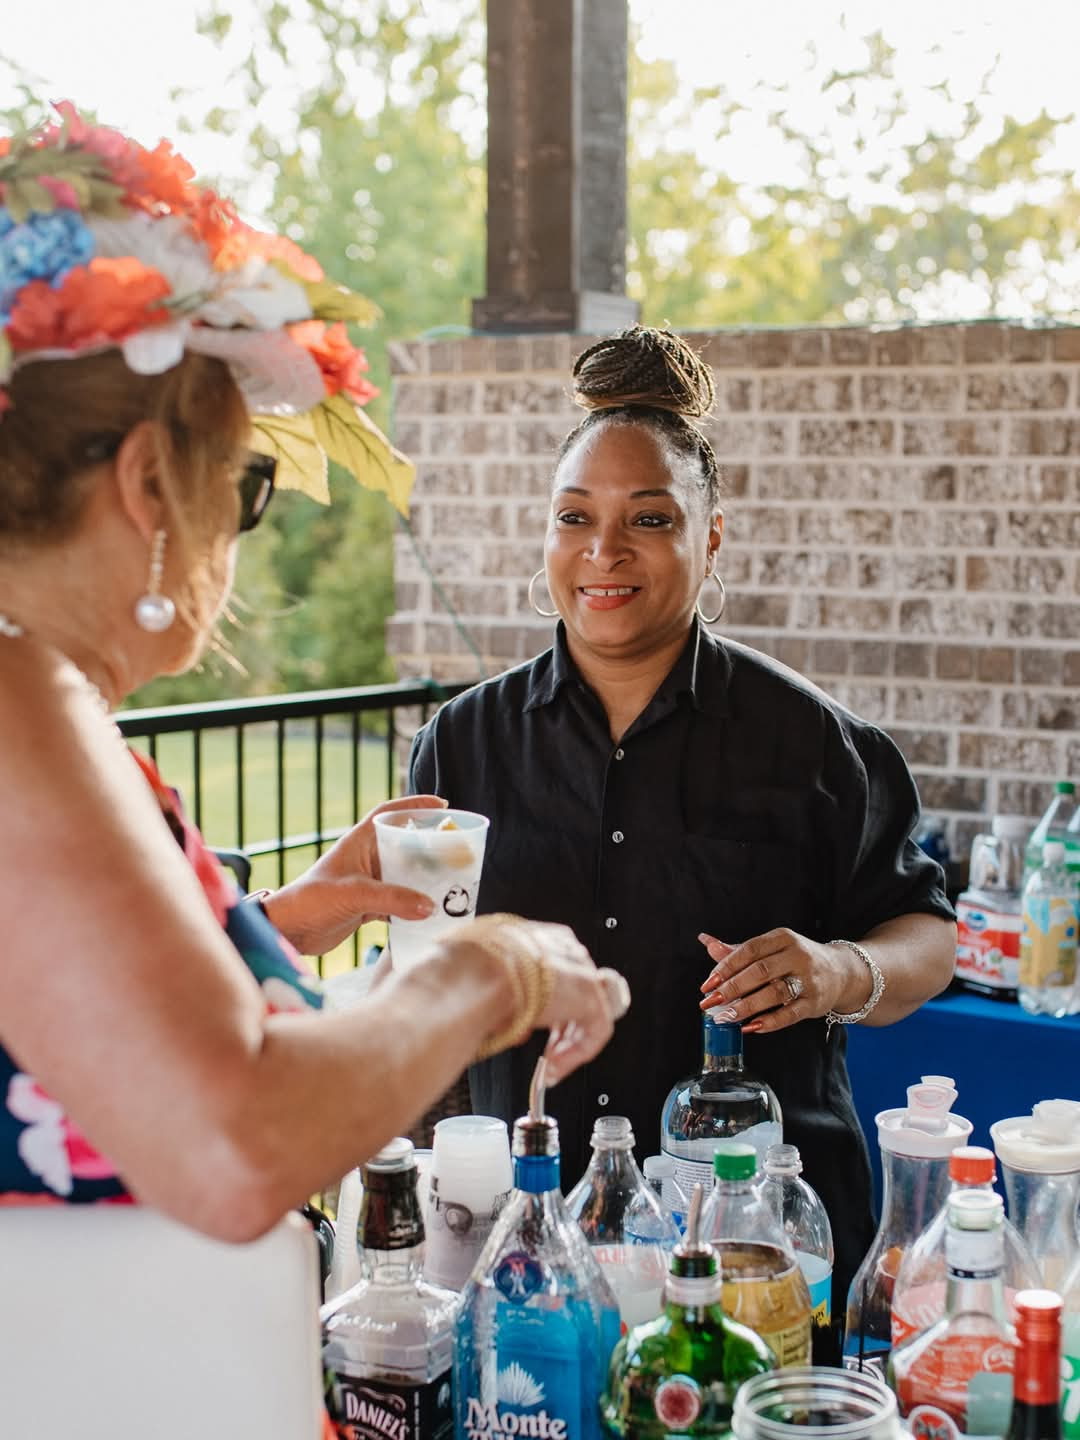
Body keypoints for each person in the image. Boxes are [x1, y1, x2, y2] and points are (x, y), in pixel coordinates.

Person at [0, 104, 629, 1241]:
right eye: (241, 488)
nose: (235, 542)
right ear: (149, 482)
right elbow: (232, 1138)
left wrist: (270, 924)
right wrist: (496, 968)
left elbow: (83, 1017)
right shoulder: (17, 701)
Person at [409, 324, 956, 1315]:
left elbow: (927, 936)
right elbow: (421, 982)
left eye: (649, 521)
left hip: (760, 1256)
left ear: (710, 535)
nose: (603, 552)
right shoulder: (462, 744)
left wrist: (840, 971)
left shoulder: (818, 742)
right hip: (530, 1247)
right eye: (574, 518)